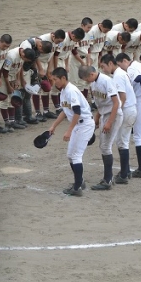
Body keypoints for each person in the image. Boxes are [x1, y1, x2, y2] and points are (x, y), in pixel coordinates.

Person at [47, 67, 95, 197]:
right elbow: (65, 111)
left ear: (63, 78)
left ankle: (77, 187)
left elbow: (77, 112)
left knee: (76, 156)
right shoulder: (63, 91)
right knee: (70, 155)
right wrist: (54, 126)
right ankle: (80, 181)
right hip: (79, 125)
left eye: (55, 79)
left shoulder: (71, 91)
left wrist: (69, 131)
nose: (54, 82)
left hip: (84, 124)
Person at [78, 65, 121, 189]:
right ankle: (108, 178)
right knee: (103, 146)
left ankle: (108, 180)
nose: (86, 82)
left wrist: (109, 122)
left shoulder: (106, 81)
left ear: (91, 74)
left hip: (113, 115)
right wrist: (97, 118)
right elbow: (100, 104)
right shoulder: (93, 84)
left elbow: (116, 103)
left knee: (105, 147)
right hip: (104, 114)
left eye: (86, 79)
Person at [115, 52, 141, 176]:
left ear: (125, 60)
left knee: (138, 136)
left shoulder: (132, 68)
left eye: (120, 65)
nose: (121, 68)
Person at [99, 54, 137, 184]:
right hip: (130, 109)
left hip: (126, 110)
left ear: (110, 63)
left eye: (103, 66)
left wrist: (115, 114)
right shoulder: (121, 73)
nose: (103, 70)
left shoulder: (118, 76)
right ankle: (126, 171)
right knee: (123, 141)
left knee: (122, 142)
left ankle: (124, 174)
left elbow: (122, 98)